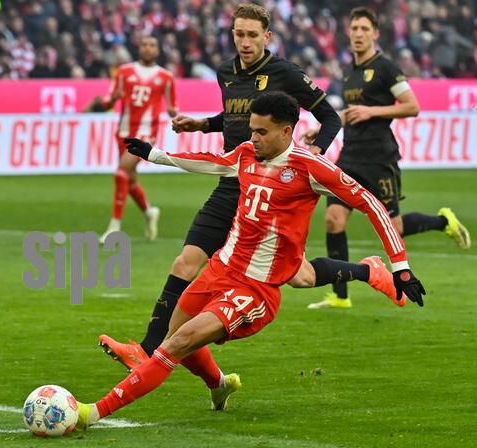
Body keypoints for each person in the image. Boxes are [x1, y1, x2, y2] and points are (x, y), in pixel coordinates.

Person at [75, 91, 425, 430]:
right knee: (177, 333)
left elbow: (371, 204)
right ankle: (219, 384)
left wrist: (402, 267)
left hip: (256, 288)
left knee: (177, 343)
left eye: (261, 132)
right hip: (220, 269)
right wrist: (156, 155)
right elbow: (213, 162)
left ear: (286, 131)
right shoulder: (245, 153)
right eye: (252, 130)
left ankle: (92, 413)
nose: (253, 138)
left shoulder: (310, 167)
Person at [98, 4, 379, 370]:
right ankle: (146, 350)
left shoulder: (285, 73)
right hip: (232, 182)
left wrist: (317, 150)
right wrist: (203, 125)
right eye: (239, 34)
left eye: (252, 35)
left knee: (299, 276)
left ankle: (368, 271)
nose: (245, 42)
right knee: (186, 261)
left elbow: (329, 117)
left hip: (271, 188)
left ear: (267, 37)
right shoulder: (225, 72)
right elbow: (235, 117)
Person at [304, 6, 470, 310]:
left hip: (380, 158)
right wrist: (324, 128)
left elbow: (412, 105)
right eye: (354, 29)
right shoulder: (348, 71)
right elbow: (352, 112)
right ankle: (340, 296)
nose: (358, 34)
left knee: (395, 227)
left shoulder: (386, 68)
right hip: (349, 156)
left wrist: (373, 111)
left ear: (375, 34)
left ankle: (442, 221)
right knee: (333, 219)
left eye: (364, 29)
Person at [88, 36, 179, 244]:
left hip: (147, 134)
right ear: (139, 48)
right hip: (123, 131)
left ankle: (114, 227)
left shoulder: (166, 77)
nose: (148, 48)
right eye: (145, 45)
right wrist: (113, 98)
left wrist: (177, 116)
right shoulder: (124, 72)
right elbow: (107, 101)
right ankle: (149, 212)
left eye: (152, 45)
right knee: (129, 180)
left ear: (158, 50)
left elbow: (173, 106)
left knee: (121, 172)